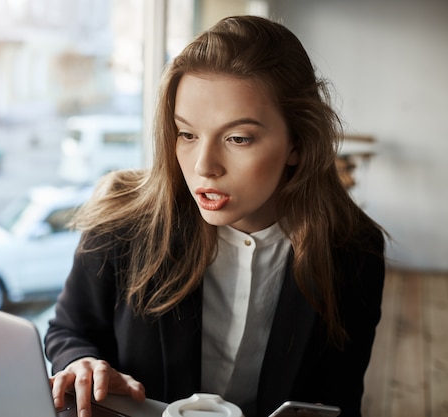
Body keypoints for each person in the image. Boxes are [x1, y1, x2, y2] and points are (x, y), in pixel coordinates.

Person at [45, 15, 386, 417]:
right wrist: (79, 363)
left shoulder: (353, 249)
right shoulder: (121, 221)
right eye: (187, 134)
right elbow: (70, 330)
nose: (204, 166)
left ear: (298, 142)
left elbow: (338, 399)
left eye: (238, 138)